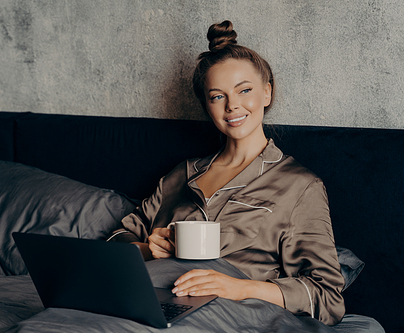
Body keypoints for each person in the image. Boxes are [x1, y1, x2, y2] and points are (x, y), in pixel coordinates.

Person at [107, 20, 345, 325]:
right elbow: (116, 238)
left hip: (228, 315)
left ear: (267, 93)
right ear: (207, 106)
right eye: (218, 96)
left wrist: (238, 287)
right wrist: (146, 249)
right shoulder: (181, 175)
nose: (232, 105)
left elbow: (328, 297)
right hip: (148, 301)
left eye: (244, 90)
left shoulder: (300, 186)